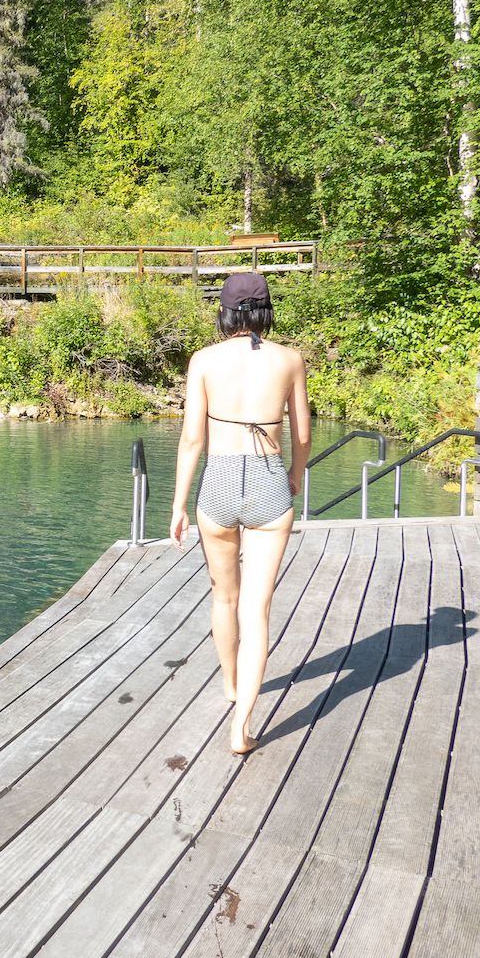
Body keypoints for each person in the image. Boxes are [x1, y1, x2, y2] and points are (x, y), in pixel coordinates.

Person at [168, 273, 309, 757]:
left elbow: (192, 439)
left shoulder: (204, 361)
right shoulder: (290, 360)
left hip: (219, 484)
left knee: (223, 598)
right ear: (267, 309)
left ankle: (230, 684)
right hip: (269, 479)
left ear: (225, 312)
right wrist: (294, 474)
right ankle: (241, 725)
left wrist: (178, 503)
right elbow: (304, 436)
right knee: (258, 608)